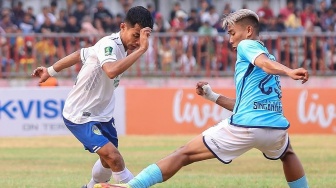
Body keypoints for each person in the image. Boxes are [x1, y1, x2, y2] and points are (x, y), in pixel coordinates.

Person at [98, 9, 309, 188]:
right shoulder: (267, 55)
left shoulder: (248, 46)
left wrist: (289, 71)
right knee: (288, 154)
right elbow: (243, 104)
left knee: (184, 154)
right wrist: (212, 96)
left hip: (247, 127)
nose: (230, 40)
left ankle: (131, 186)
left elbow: (264, 64)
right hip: (275, 128)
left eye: (232, 33)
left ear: (248, 31)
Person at [31, 6, 153, 188]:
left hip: (103, 114)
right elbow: (111, 71)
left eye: (142, 37)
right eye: (136, 35)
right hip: (80, 115)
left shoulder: (115, 47)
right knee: (114, 158)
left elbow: (79, 54)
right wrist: (141, 49)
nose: (138, 41)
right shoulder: (109, 45)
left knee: (107, 161)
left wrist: (49, 70)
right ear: (122, 27)